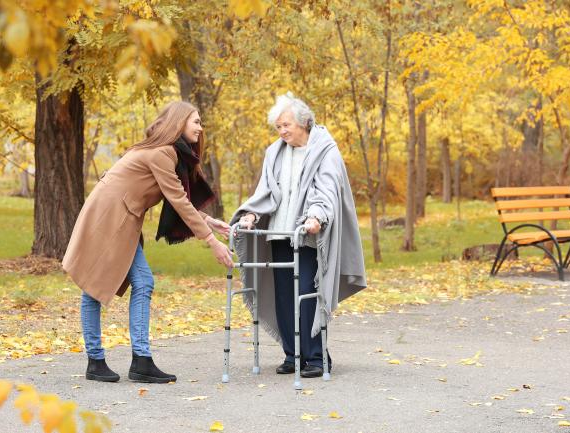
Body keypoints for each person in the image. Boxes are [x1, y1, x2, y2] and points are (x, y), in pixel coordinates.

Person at [62, 101, 233, 384]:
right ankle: (107, 360)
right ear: (179, 122)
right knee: (94, 285)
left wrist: (210, 222)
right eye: (196, 122)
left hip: (121, 216)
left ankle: (135, 360)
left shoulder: (165, 153)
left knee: (137, 282)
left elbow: (177, 197)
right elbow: (178, 200)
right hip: (110, 216)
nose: (200, 128)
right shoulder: (162, 153)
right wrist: (211, 241)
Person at [230, 92, 366, 378]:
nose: (281, 132)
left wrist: (316, 216)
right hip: (279, 233)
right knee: (282, 295)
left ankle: (317, 357)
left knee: (307, 291)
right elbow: (266, 191)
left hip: (307, 235)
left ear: (303, 122)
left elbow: (326, 189)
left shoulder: (325, 149)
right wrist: (252, 214)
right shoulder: (275, 152)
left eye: (285, 125)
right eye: (278, 127)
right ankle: (292, 354)